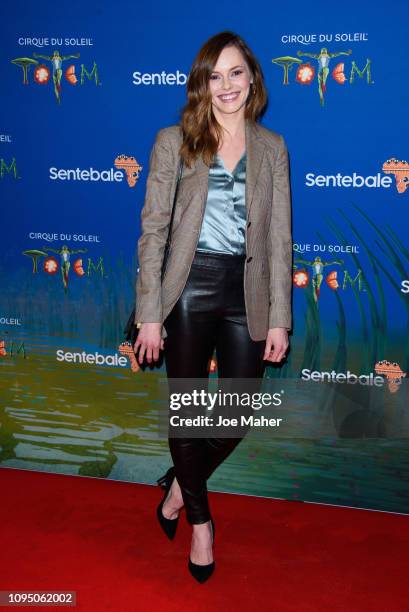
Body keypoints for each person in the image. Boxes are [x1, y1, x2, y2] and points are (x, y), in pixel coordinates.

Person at [133, 31, 292, 582]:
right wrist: (149, 312)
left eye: (236, 73)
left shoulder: (272, 148)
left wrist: (280, 317)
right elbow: (153, 232)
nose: (226, 86)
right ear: (202, 83)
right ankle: (200, 523)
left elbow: (279, 241)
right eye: (214, 75)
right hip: (189, 288)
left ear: (252, 79)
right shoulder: (173, 140)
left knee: (239, 412)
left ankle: (178, 484)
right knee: (188, 408)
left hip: (246, 292)